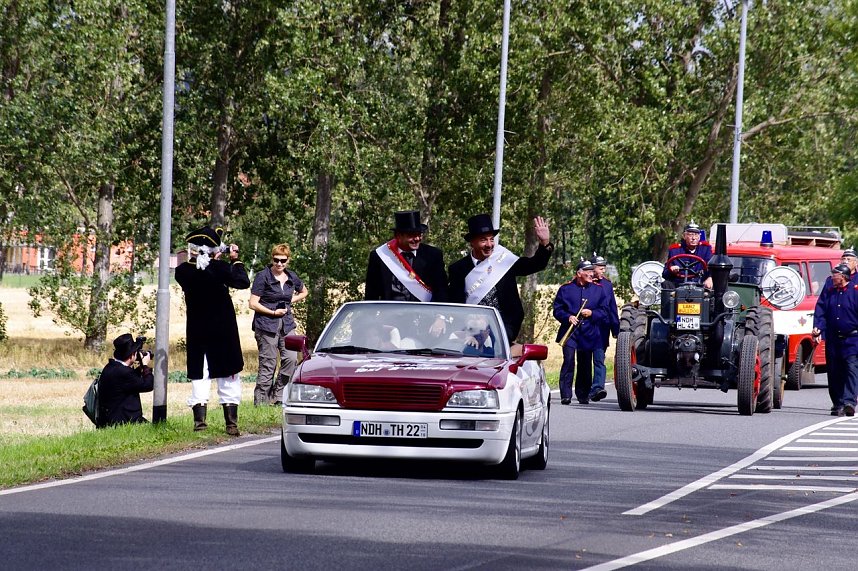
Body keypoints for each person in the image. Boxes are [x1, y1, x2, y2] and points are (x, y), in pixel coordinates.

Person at [175, 225, 250, 435]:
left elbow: (196, 267)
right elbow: (243, 282)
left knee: (201, 374)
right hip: (223, 329)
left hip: (198, 330)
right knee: (228, 374)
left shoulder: (183, 272)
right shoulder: (221, 269)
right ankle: (231, 424)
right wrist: (234, 259)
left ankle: (200, 423)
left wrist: (214, 256)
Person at [448, 214, 554, 343]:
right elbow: (455, 304)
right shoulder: (458, 268)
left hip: (504, 326)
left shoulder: (503, 259)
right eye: (483, 240)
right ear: (472, 242)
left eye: (491, 239)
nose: (489, 245)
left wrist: (545, 243)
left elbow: (534, 265)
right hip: (471, 331)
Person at [365, 210, 448, 336]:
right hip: (389, 325)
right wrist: (373, 327)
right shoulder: (380, 256)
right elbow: (371, 295)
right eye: (411, 235)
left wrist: (440, 318)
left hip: (425, 326)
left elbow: (441, 289)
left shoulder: (433, 255)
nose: (417, 239)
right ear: (398, 236)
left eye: (419, 234)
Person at [248, 243, 308, 406]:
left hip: (287, 325)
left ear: (288, 260)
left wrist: (289, 302)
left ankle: (278, 395)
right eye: (276, 260)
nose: (279, 264)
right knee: (269, 363)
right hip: (266, 325)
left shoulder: (291, 276)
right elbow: (253, 303)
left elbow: (304, 291)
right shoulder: (263, 276)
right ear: (272, 259)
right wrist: (273, 312)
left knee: (291, 359)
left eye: (283, 260)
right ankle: (261, 401)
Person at [553, 259, 607, 405]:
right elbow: (557, 310)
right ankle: (566, 394)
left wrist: (592, 313)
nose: (592, 274)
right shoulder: (565, 289)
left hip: (589, 332)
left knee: (584, 364)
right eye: (588, 271)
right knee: (569, 361)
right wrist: (567, 317)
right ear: (579, 273)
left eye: (592, 271)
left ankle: (583, 394)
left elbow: (604, 311)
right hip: (570, 333)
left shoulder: (598, 289)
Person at [812, 263, 858, 416]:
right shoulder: (830, 290)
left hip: (852, 338)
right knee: (833, 371)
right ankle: (837, 403)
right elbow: (821, 309)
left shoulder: (855, 291)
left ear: (843, 277)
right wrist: (818, 327)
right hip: (832, 338)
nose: (832, 277)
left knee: (851, 369)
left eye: (835, 274)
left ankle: (849, 402)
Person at [96, 333, 154, 427]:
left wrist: (141, 369)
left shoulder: (110, 367)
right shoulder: (124, 373)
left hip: (109, 420)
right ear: (131, 355)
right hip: (124, 421)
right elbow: (148, 385)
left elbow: (129, 382)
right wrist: (145, 365)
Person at [590, 252, 620, 402]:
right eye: (600, 268)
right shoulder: (585, 282)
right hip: (586, 327)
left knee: (599, 359)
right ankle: (584, 389)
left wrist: (616, 329)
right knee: (584, 360)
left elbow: (612, 308)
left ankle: (597, 388)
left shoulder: (607, 284)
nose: (603, 270)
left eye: (604, 268)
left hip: (602, 327)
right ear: (592, 268)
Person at [662, 220, 713, 288]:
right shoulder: (675, 250)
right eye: (690, 235)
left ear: (699, 237)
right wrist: (671, 270)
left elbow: (712, 267)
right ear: (684, 236)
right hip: (679, 284)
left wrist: (710, 278)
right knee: (666, 284)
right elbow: (665, 274)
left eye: (696, 235)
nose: (693, 238)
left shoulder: (705, 249)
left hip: (700, 284)